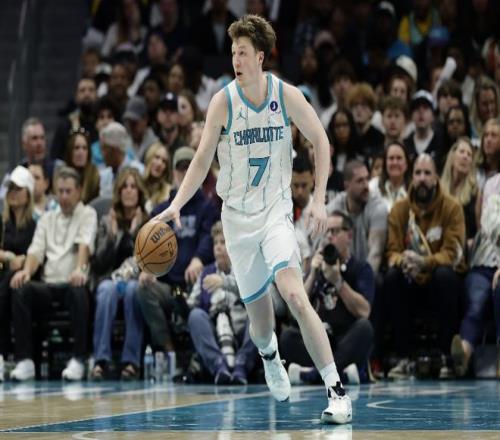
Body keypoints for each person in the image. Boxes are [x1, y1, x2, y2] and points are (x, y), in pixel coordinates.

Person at [153, 14, 351, 424]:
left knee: (294, 294)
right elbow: (202, 159)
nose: (236, 60)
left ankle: (337, 392)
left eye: (242, 53)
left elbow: (320, 139)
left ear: (260, 57)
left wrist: (318, 199)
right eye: (232, 53)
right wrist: (176, 205)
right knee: (260, 327)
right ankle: (269, 355)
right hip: (238, 221)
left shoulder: (285, 94)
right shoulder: (223, 101)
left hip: (276, 211)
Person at [9, 166, 97, 381]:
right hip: (49, 285)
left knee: (79, 290)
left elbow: (84, 246)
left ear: (78, 191)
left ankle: (79, 359)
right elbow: (35, 252)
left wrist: (80, 269)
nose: (64, 197)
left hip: (71, 283)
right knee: (21, 288)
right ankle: (24, 360)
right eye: (60, 191)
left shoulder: (88, 214)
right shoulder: (47, 218)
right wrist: (26, 272)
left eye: (68, 191)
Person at [384, 154, 466, 380]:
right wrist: (404, 261)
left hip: (439, 282)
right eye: (418, 173)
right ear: (411, 177)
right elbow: (391, 251)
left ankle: (446, 357)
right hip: (410, 280)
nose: (422, 178)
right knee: (391, 277)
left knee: (444, 276)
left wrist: (424, 263)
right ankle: (404, 358)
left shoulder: (452, 207)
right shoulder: (399, 210)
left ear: (436, 177)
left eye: (427, 173)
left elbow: (453, 254)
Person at [283, 210, 374, 385]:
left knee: (365, 328)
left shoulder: (361, 268)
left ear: (349, 236)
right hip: (318, 339)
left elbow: (364, 312)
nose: (330, 236)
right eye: (327, 232)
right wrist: (312, 274)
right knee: (288, 336)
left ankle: (312, 375)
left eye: (335, 231)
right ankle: (342, 375)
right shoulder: (318, 268)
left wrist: (338, 282)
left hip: (344, 339)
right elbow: (294, 312)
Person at [187, 221, 258, 385]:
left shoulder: (244, 268)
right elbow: (191, 304)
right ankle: (219, 366)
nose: (218, 247)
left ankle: (241, 364)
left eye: (223, 242)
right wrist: (180, 304)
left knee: (259, 315)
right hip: (215, 332)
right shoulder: (205, 273)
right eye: (215, 243)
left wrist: (224, 282)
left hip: (241, 328)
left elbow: (255, 294)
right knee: (195, 316)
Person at [0, 166, 37, 372]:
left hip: (26, 279)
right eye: (10, 188)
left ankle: (6, 354)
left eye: (18, 188)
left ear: (28, 193)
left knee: (11, 285)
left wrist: (20, 262)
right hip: (4, 275)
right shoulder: (2, 223)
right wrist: (8, 258)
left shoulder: (34, 225)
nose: (13, 192)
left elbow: (33, 254)